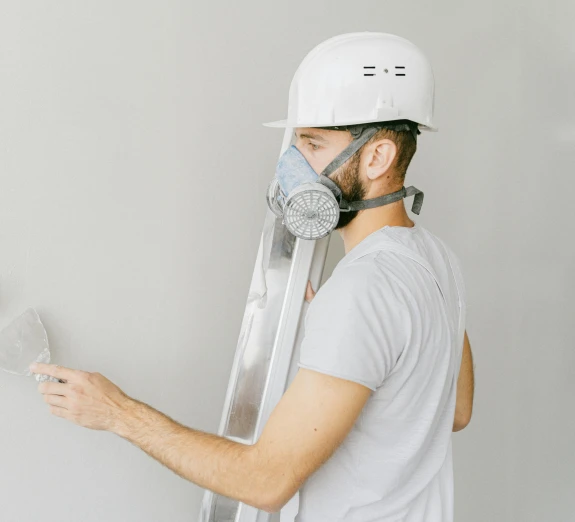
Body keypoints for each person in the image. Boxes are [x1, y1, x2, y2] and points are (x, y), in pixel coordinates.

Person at [31, 32, 475, 522]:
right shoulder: (437, 260)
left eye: (312, 143)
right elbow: (453, 411)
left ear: (377, 158)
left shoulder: (362, 290)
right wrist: (349, 343)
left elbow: (265, 482)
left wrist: (117, 413)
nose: (292, 166)